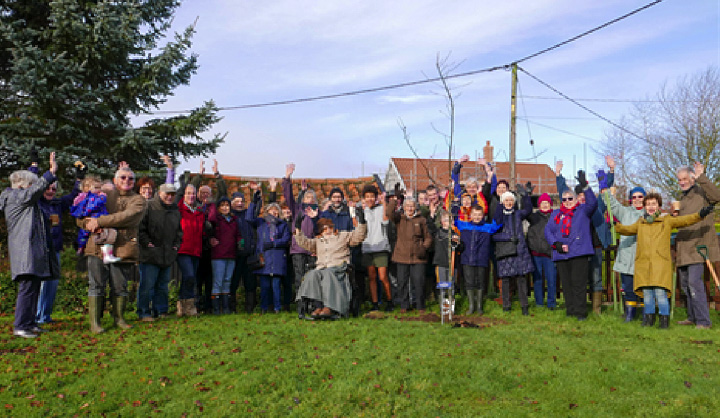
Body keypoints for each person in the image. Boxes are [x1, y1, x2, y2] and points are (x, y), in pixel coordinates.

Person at [614, 192, 711, 328]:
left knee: (660, 293)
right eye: (648, 204)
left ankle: (664, 322)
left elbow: (685, 220)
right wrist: (615, 225)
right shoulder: (641, 222)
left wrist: (700, 214)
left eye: (653, 204)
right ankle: (648, 320)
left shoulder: (667, 220)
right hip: (644, 264)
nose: (651, 207)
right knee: (647, 294)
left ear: (659, 206)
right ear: (645, 207)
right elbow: (627, 229)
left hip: (660, 264)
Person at [78, 162, 146, 333]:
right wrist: (88, 224)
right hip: (96, 246)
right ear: (115, 180)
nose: (127, 180)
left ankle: (119, 319)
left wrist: (99, 221)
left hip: (122, 248)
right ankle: (95, 323)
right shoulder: (103, 194)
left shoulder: (138, 200)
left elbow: (127, 217)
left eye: (130, 178)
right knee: (96, 284)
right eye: (123, 177)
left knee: (120, 285)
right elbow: (81, 214)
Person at [0, 152, 59, 338]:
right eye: (30, 185)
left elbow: (33, 190)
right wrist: (51, 172)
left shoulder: (24, 199)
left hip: (31, 251)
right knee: (27, 289)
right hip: (25, 251)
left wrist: (34, 166)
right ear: (21, 186)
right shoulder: (15, 197)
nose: (35, 189)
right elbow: (34, 190)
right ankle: (20, 326)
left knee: (33, 288)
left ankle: (30, 323)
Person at [27, 150, 83, 325]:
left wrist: (80, 177)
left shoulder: (58, 203)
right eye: (48, 188)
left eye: (54, 189)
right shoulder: (36, 202)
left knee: (51, 285)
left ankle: (46, 316)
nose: (50, 191)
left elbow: (75, 195)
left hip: (55, 249)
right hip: (39, 249)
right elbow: (31, 185)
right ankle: (35, 316)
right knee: (39, 285)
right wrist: (35, 166)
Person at [556, 158, 615, 315]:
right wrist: (558, 175)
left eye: (584, 194)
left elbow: (605, 189)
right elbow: (563, 191)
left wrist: (611, 172)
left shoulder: (596, 205)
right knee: (578, 279)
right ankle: (578, 307)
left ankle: (596, 309)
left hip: (594, 247)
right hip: (579, 250)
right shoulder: (574, 211)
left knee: (595, 278)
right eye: (579, 195)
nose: (582, 197)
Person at [544, 171, 597, 321]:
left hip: (578, 251)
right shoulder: (556, 214)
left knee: (578, 284)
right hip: (561, 253)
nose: (567, 201)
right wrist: (556, 244)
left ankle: (580, 313)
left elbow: (593, 203)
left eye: (570, 199)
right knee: (566, 284)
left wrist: (585, 186)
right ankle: (570, 310)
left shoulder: (582, 210)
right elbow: (548, 230)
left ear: (576, 199)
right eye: (564, 199)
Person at [294, 212, 368, 318]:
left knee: (328, 274)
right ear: (320, 231)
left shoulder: (343, 236)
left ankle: (330, 307)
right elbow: (303, 242)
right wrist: (298, 229)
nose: (327, 231)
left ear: (332, 228)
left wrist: (362, 222)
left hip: (339, 267)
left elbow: (359, 236)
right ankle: (318, 306)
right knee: (312, 274)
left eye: (329, 228)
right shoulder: (318, 241)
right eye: (324, 229)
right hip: (322, 267)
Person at [675, 162, 720, 329]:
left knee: (694, 283)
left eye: (685, 178)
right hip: (684, 247)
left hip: (698, 246)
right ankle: (692, 317)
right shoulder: (683, 197)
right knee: (686, 284)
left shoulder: (702, 191)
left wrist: (702, 177)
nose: (682, 182)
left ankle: (704, 321)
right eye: (679, 179)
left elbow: (717, 196)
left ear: (692, 178)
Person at [136, 183, 182, 321]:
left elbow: (179, 232)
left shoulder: (175, 210)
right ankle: (144, 312)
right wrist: (147, 244)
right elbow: (140, 228)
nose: (169, 197)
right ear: (159, 193)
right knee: (147, 286)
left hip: (167, 254)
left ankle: (160, 311)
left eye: (172, 194)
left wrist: (176, 246)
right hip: (150, 254)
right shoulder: (149, 206)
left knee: (162, 286)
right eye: (167, 194)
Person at [605, 175, 646, 322]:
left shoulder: (649, 214)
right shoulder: (625, 212)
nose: (637, 199)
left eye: (640, 196)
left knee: (643, 289)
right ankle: (629, 314)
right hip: (626, 256)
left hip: (643, 257)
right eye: (634, 197)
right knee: (628, 287)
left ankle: (644, 315)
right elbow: (612, 204)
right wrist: (607, 188)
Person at [492, 185, 534, 315]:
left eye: (511, 201)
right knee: (505, 280)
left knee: (521, 279)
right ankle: (506, 305)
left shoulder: (517, 214)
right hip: (506, 250)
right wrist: (508, 238)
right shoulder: (499, 216)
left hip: (519, 250)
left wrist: (526, 196)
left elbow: (528, 210)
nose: (509, 203)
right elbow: (494, 234)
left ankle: (524, 306)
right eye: (506, 201)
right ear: (503, 202)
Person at [387, 197, 433, 313]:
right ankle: (404, 305)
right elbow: (389, 213)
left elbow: (428, 237)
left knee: (419, 282)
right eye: (407, 206)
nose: (410, 208)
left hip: (418, 257)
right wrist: (394, 200)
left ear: (415, 207)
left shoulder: (421, 220)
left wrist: (424, 247)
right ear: (404, 208)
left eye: (412, 206)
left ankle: (420, 305)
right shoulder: (399, 219)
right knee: (402, 282)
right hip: (401, 255)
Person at [283, 164, 319, 310]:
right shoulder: (297, 209)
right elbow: (288, 195)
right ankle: (301, 305)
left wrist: (316, 219)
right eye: (307, 197)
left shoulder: (319, 213)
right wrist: (287, 177)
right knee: (299, 278)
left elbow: (321, 231)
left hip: (312, 250)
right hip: (298, 249)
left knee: (312, 278)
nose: (309, 200)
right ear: (303, 199)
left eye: (312, 197)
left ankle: (312, 304)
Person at [455, 206, 502, 315]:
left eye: (479, 215)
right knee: (469, 282)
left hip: (481, 258)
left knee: (480, 282)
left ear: (483, 216)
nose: (477, 217)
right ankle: (472, 306)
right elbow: (454, 219)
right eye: (474, 214)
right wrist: (456, 203)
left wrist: (499, 206)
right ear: (470, 215)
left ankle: (480, 306)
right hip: (467, 259)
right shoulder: (464, 225)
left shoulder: (488, 227)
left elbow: (498, 223)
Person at [249, 202, 291, 314]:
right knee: (265, 286)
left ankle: (277, 308)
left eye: (277, 210)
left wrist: (273, 244)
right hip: (264, 258)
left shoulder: (283, 224)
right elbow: (249, 218)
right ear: (267, 211)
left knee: (276, 285)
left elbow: (286, 239)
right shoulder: (261, 223)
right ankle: (264, 307)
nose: (275, 212)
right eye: (272, 210)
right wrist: (254, 201)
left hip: (278, 258)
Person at [70, 176, 121, 263]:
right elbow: (82, 215)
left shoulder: (116, 202)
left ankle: (106, 253)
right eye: (97, 188)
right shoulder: (91, 198)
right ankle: (83, 248)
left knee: (110, 234)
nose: (100, 191)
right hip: (93, 247)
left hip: (103, 225)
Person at [360, 185, 393, 312]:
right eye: (367, 197)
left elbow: (385, 221)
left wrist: (384, 202)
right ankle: (375, 303)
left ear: (376, 197)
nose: (370, 199)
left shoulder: (380, 208)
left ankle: (389, 300)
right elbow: (358, 227)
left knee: (383, 277)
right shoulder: (363, 210)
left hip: (381, 247)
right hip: (368, 247)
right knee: (372, 277)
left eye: (372, 196)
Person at [207, 196, 241, 314]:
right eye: (222, 205)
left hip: (231, 255)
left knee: (227, 281)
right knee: (218, 281)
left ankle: (225, 308)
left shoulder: (233, 220)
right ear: (218, 208)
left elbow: (238, 235)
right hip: (218, 255)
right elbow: (210, 219)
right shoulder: (216, 219)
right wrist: (212, 205)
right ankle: (216, 308)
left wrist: (241, 243)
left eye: (227, 205)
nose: (225, 207)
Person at [175, 183, 204, 317]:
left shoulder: (199, 212)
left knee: (191, 278)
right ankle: (189, 306)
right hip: (183, 249)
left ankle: (183, 306)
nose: (191, 196)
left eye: (193, 193)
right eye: (188, 193)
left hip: (196, 250)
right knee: (189, 276)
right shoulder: (179, 209)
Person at [525, 193, 557, 310]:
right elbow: (526, 211)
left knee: (551, 279)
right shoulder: (534, 217)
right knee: (537, 280)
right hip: (536, 253)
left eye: (547, 203)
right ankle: (539, 303)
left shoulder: (555, 216)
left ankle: (551, 303)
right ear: (539, 205)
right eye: (542, 203)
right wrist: (527, 197)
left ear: (550, 204)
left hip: (550, 253)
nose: (544, 205)